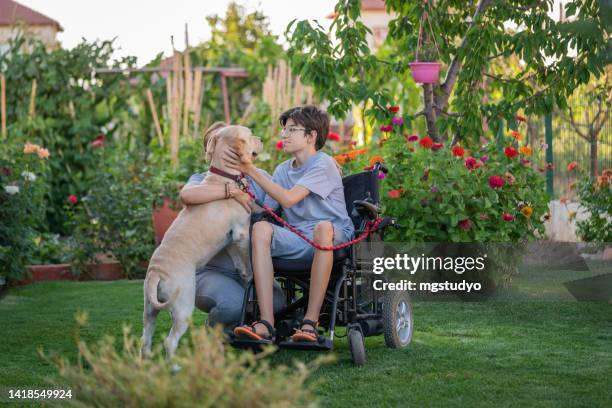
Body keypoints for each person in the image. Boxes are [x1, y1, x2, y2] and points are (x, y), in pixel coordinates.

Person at [226, 105, 354, 343]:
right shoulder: (283, 170)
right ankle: (266, 322)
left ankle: (310, 323)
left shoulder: (323, 164)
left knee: (322, 228)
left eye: (292, 130)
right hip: (298, 238)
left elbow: (288, 198)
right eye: (284, 130)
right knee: (261, 228)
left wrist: (250, 169)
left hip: (331, 237)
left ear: (311, 135)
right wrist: (240, 195)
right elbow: (266, 211)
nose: (284, 135)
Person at [179, 122, 284, 328]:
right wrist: (232, 192)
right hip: (210, 272)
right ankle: (215, 329)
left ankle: (248, 327)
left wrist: (324, 163)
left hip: (251, 269)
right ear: (211, 150)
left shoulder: (257, 176)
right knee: (233, 306)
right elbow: (187, 195)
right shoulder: (202, 180)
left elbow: (286, 195)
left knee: (278, 304)